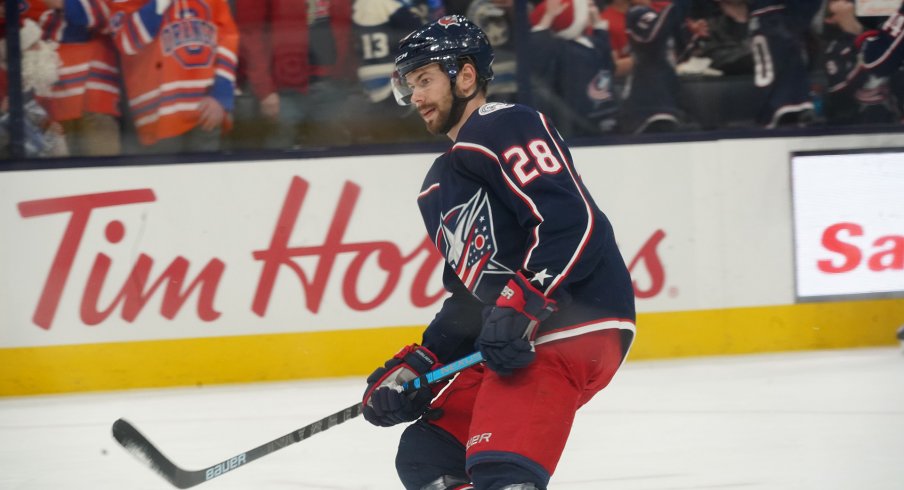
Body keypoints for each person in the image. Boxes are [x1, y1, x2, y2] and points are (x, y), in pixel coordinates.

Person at [361, 15, 636, 490]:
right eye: (411, 86)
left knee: (500, 470)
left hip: (572, 323)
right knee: (429, 458)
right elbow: (472, 299)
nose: (417, 97)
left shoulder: (506, 124)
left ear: (466, 76)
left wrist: (525, 299)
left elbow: (571, 221)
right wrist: (422, 362)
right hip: (519, 341)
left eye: (425, 79)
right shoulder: (436, 186)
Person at [106, 0, 239, 153]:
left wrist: (220, 93)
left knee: (205, 175)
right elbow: (126, 41)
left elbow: (228, 37)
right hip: (159, 116)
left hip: (205, 110)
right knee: (162, 175)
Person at [235, 0, 356, 149]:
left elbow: (351, 23)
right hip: (282, 88)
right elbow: (250, 32)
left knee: (333, 160)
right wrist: (264, 88)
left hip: (333, 82)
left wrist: (350, 74)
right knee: (276, 159)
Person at [39, 0, 123, 156]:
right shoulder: (42, 15)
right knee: (56, 177)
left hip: (94, 102)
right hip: (52, 110)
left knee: (104, 173)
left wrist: (62, 5)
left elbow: (102, 16)